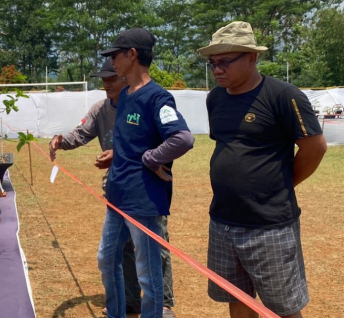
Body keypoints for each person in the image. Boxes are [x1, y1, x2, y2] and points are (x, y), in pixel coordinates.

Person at [198, 21, 327, 318]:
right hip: (223, 220)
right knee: (237, 297)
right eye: (213, 62)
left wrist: (283, 184)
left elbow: (314, 147)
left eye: (225, 61)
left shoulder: (284, 95)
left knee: (283, 307)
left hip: (269, 225)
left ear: (252, 58)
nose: (217, 69)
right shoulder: (215, 98)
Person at [49, 58, 179, 317]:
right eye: (103, 79)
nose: (106, 84)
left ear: (125, 77)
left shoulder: (146, 103)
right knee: (120, 251)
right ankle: (129, 300)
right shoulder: (101, 109)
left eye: (111, 78)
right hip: (118, 189)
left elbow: (170, 141)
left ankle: (162, 304)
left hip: (145, 190)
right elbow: (81, 134)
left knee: (155, 248)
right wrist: (61, 141)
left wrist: (120, 154)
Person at [99, 28, 194, 318]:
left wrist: (151, 158)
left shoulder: (158, 98)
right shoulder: (126, 95)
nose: (111, 62)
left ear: (132, 54)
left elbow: (182, 138)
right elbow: (135, 139)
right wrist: (119, 153)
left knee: (148, 275)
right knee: (107, 259)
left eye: (115, 55)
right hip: (116, 197)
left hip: (143, 201)